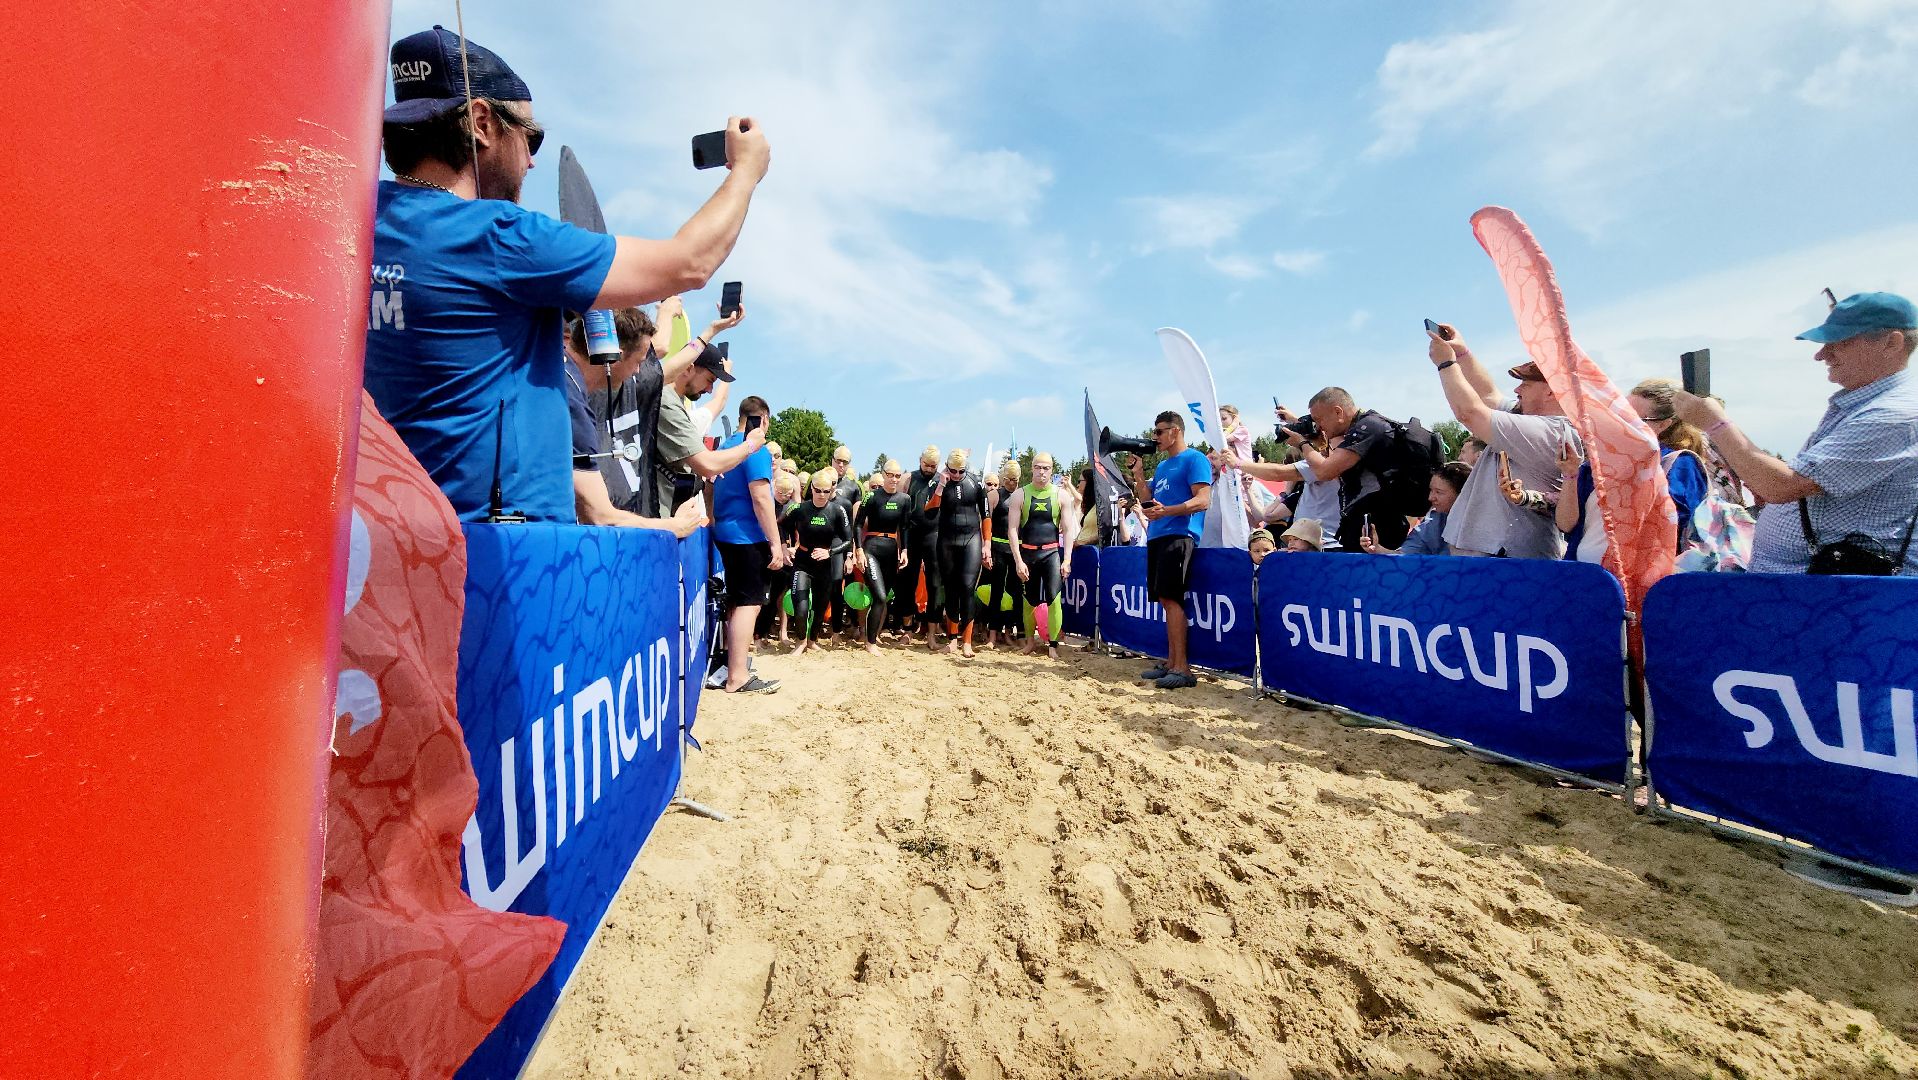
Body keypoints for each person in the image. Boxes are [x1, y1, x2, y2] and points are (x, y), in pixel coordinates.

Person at [365, 27, 769, 522]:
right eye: (528, 135)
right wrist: (745, 173)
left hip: (382, 541)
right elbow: (690, 262)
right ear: (481, 122)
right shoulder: (499, 236)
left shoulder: (353, 228)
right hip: (499, 560)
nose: (532, 159)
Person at [1674, 292, 1918, 574]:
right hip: (1823, 591)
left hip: (1845, 599)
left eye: (1840, 342)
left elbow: (1781, 486)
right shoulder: (1867, 406)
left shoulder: (1894, 415)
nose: (1821, 354)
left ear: (1892, 343)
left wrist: (1714, 423)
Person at [1426, 324, 1581, 558]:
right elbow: (1488, 395)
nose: (1517, 389)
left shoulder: (1551, 431)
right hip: (1496, 555)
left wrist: (1446, 364)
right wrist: (1461, 352)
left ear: (1551, 391)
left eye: (1526, 384)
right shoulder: (1528, 418)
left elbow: (1469, 413)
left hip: (1505, 558)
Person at [1549, 378, 1709, 565]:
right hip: (1585, 578)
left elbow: (1670, 527)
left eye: (1632, 419)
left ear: (1663, 424)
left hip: (1641, 585)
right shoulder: (1594, 466)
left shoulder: (1679, 464)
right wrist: (1570, 474)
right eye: (1618, 416)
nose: (1621, 424)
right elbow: (1566, 524)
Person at [1129, 411, 1211, 690]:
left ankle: (1182, 668)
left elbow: (1203, 500)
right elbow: (1148, 502)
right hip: (1158, 536)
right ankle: (1171, 661)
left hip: (1180, 535)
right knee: (1166, 599)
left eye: (1159, 432)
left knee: (1172, 599)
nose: (1155, 438)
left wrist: (1169, 512)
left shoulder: (1195, 458)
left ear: (1175, 431)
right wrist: (1139, 476)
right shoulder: (1163, 468)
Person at [709, 397, 785, 693]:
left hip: (726, 531)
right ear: (763, 419)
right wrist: (776, 544)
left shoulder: (725, 445)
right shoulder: (755, 449)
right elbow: (762, 498)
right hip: (746, 536)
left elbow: (709, 485)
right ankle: (737, 676)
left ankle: (734, 665)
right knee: (749, 605)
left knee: (738, 602)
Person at [654, 342, 763, 512]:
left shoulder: (676, 402)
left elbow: (719, 402)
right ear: (689, 368)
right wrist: (750, 445)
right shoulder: (666, 403)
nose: (710, 389)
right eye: (710, 380)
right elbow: (707, 464)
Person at [1008, 452, 1077, 659]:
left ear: (1051, 470)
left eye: (1046, 468)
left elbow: (1068, 529)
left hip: (1051, 553)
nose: (1041, 472)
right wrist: (1018, 560)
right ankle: (1030, 641)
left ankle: (1053, 646)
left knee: (1054, 598)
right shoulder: (1020, 495)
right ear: (1032, 468)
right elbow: (1012, 529)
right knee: (1029, 599)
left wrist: (1067, 559)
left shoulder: (1061, 495)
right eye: (1038, 467)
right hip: (1027, 553)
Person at [781, 468, 853, 655]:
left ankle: (812, 640)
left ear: (832, 491)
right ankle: (800, 641)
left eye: (826, 491)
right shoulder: (799, 509)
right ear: (811, 488)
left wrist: (830, 551)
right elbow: (781, 525)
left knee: (820, 608)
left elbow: (847, 540)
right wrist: (784, 546)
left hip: (825, 565)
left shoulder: (838, 510)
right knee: (801, 605)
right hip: (803, 562)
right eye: (818, 490)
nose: (821, 495)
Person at [931, 449, 990, 657]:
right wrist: (940, 485)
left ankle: (967, 642)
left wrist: (987, 545)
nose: (956, 475)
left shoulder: (975, 483)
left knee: (966, 588)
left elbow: (986, 515)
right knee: (951, 589)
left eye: (960, 471)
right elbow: (929, 511)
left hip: (971, 539)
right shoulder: (939, 482)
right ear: (947, 467)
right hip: (946, 540)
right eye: (952, 471)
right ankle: (952, 640)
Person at [853, 460, 913, 655]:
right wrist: (859, 550)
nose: (894, 479)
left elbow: (904, 527)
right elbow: (858, 525)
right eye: (890, 475)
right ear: (884, 474)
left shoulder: (904, 499)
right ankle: (870, 642)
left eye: (897, 475)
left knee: (882, 598)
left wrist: (904, 551)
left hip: (890, 551)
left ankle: (871, 637)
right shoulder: (871, 496)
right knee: (879, 596)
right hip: (872, 548)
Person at [1359, 461, 1471, 556]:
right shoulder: (1434, 521)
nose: (1430, 497)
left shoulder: (1483, 522)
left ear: (1461, 494)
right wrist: (1376, 549)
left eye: (1438, 492)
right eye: (1431, 490)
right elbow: (1405, 556)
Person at [901, 446, 943, 639]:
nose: (928, 469)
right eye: (926, 464)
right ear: (920, 460)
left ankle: (932, 633)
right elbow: (902, 511)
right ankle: (907, 630)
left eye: (933, 466)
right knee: (909, 583)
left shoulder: (943, 479)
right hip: (913, 533)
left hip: (934, 535)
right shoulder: (909, 478)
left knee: (935, 584)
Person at [757, 469, 802, 645]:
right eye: (780, 493)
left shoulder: (790, 507)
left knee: (777, 595)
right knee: (764, 597)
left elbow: (794, 530)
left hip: (782, 555)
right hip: (765, 553)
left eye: (787, 494)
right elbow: (774, 529)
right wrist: (782, 548)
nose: (784, 496)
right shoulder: (766, 503)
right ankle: (757, 636)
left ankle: (764, 634)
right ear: (774, 489)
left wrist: (793, 548)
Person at [982, 460, 1022, 648]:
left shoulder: (1022, 495)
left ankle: (1008, 632)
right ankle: (992, 634)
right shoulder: (995, 495)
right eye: (1008, 479)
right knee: (997, 590)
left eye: (1015, 480)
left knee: (1015, 591)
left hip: (1017, 548)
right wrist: (986, 547)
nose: (1011, 483)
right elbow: (986, 521)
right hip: (998, 546)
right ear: (1003, 477)